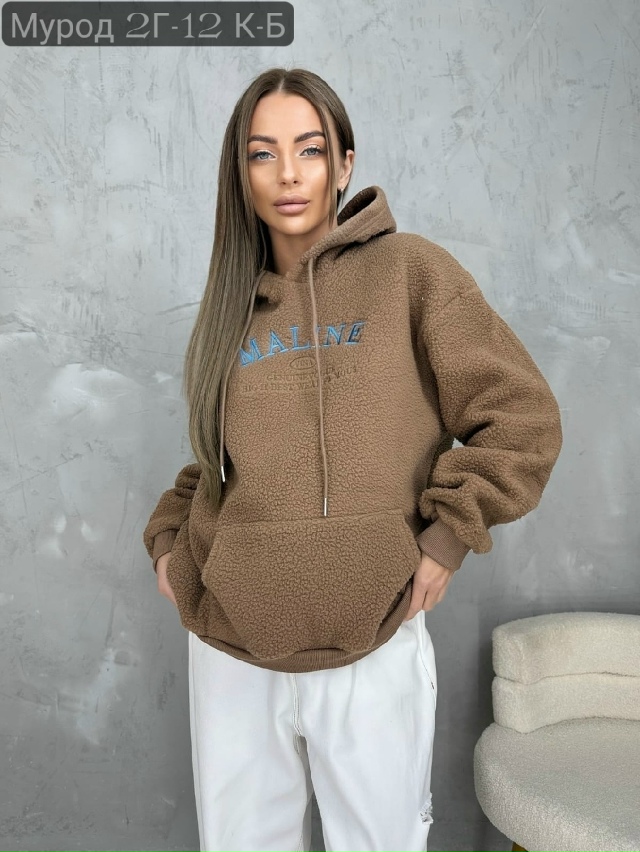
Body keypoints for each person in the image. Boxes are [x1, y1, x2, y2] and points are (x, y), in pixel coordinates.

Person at [142, 66, 563, 852]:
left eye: (309, 149)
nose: (288, 173)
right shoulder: (230, 304)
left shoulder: (411, 272)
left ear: (344, 164)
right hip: (232, 646)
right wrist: (171, 544)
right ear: (241, 174)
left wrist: (447, 537)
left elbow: (522, 420)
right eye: (263, 153)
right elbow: (217, 466)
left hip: (375, 631)